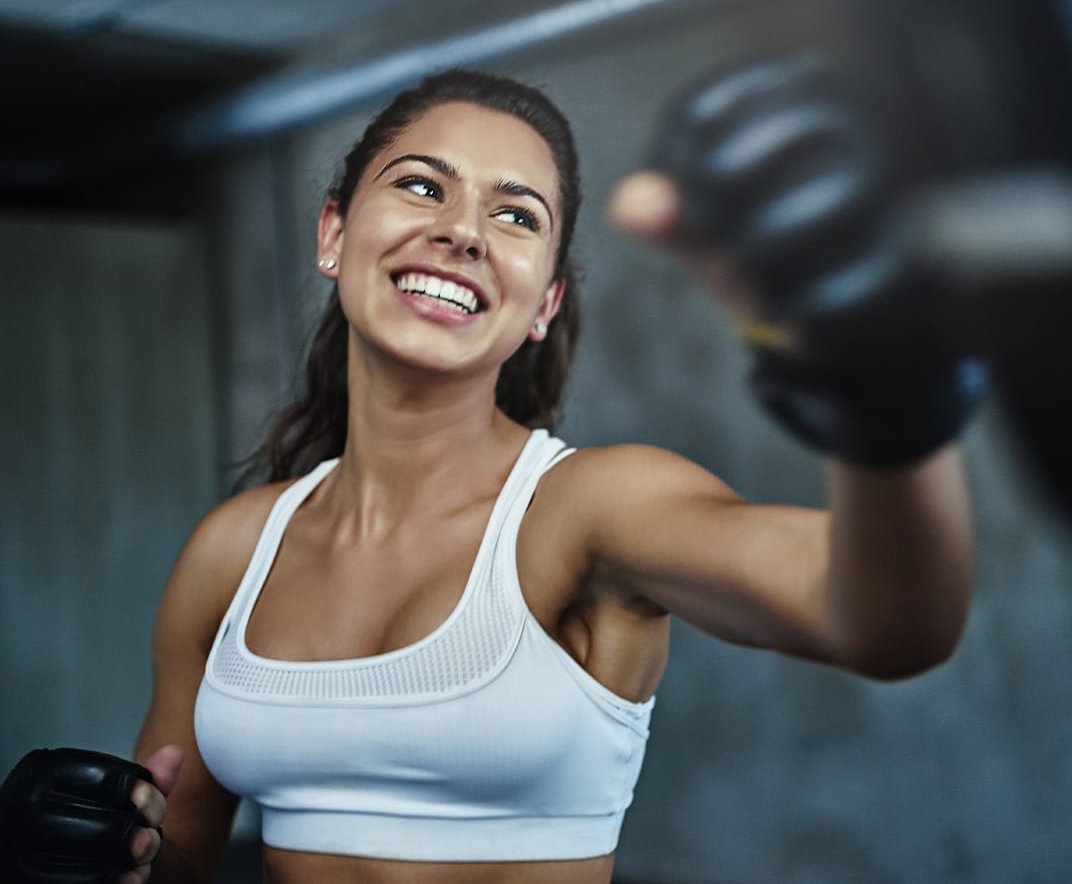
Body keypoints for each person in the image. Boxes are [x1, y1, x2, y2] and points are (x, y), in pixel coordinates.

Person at [0, 66, 981, 882]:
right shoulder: (233, 547)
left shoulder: (590, 508)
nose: (463, 229)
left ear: (543, 301)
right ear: (334, 234)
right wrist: (80, 850)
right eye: (423, 186)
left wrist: (880, 379)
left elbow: (885, 618)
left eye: (515, 214)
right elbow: (170, 853)